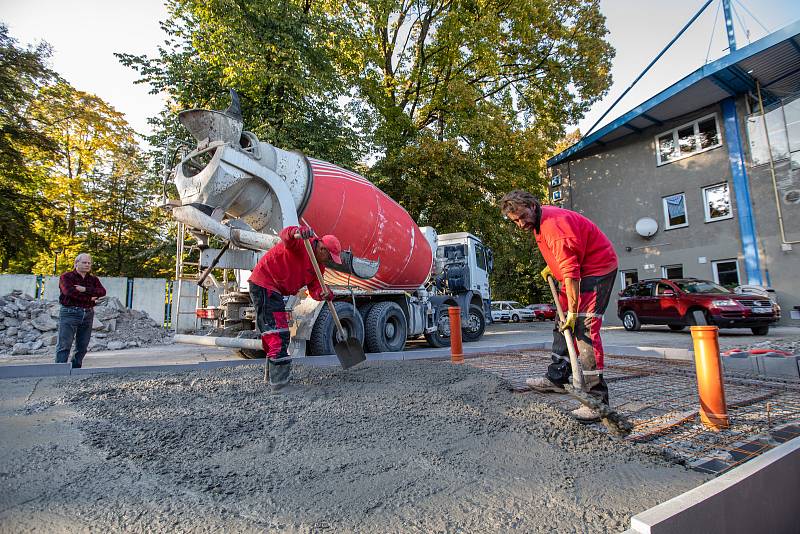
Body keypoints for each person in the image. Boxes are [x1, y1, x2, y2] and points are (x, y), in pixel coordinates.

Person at [500, 190, 618, 422]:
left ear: (532, 206)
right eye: (515, 221)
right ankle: (557, 377)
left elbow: (571, 272)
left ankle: (597, 401)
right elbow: (562, 260)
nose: (521, 224)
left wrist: (574, 311)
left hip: (596, 272)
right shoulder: (539, 223)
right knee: (562, 324)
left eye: (522, 217)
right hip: (576, 272)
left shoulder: (555, 226)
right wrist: (552, 268)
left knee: (584, 331)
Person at [248, 225, 342, 390]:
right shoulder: (302, 244)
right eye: (330, 256)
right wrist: (297, 232)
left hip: (275, 291)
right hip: (265, 283)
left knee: (279, 333)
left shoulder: (318, 266)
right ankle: (279, 385)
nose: (330, 260)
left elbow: (314, 289)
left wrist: (325, 293)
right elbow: (285, 236)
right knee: (277, 333)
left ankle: (271, 378)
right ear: (322, 248)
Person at [55, 253, 106, 369]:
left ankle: (75, 370)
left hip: (88, 313)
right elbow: (69, 293)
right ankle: (59, 371)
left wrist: (84, 289)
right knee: (64, 344)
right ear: (76, 263)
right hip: (70, 312)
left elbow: (102, 292)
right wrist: (89, 298)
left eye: (89, 263)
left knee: (82, 345)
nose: (87, 265)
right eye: (84, 262)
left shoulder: (93, 279)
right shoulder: (66, 277)